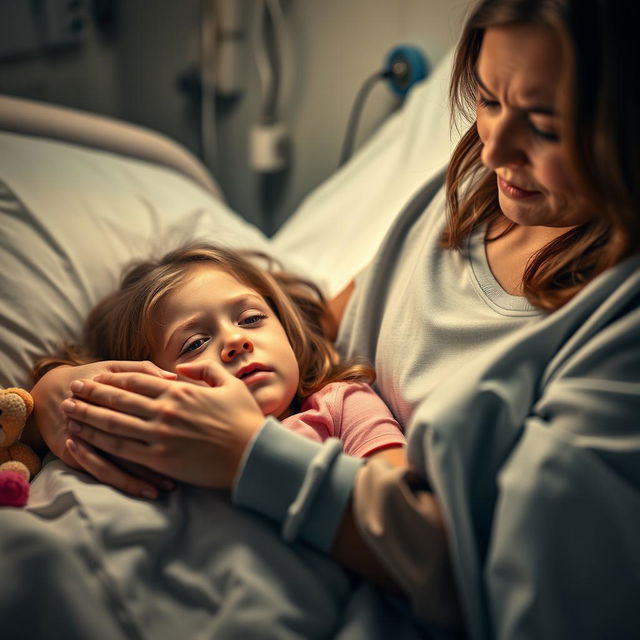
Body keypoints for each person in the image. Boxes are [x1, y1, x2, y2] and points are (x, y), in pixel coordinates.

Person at [29, 0, 640, 636]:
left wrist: (245, 457)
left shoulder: (617, 336)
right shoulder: (465, 191)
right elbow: (310, 330)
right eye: (487, 98)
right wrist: (63, 393)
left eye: (545, 127)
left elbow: (501, 585)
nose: (493, 150)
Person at [34, 242, 407, 481]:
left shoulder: (340, 406)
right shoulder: (151, 440)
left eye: (251, 319)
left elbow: (399, 503)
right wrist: (52, 385)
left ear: (287, 329)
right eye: (195, 343)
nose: (235, 340)